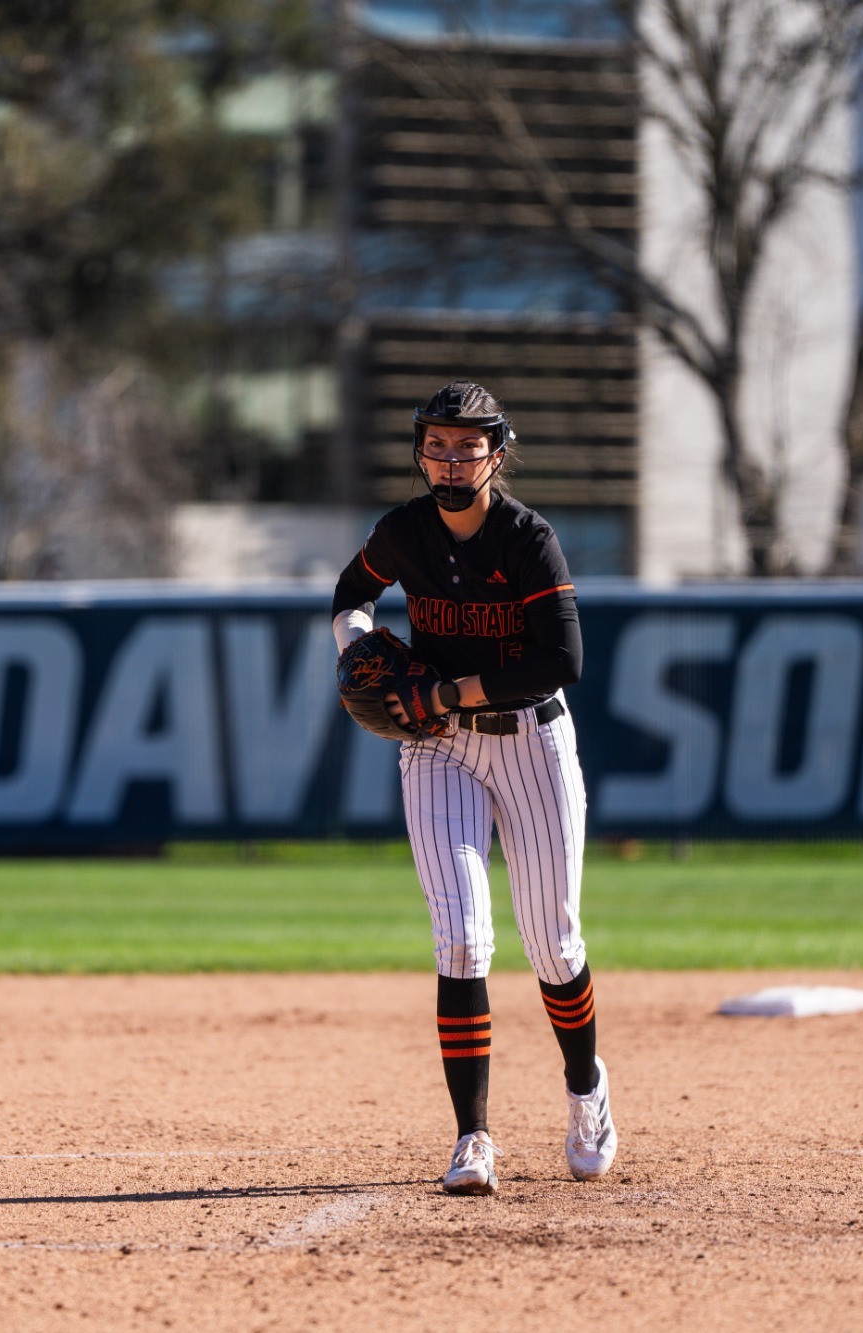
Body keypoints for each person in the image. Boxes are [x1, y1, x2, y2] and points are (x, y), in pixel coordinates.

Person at [330, 381, 615, 1196]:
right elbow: (352, 593)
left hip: (529, 738)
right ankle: (473, 1138)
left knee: (554, 942)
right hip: (437, 746)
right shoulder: (404, 531)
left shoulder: (528, 538)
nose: (451, 458)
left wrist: (449, 692)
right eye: (438, 443)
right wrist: (353, 648)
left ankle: (587, 1091)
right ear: (420, 451)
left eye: (468, 444)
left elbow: (561, 661)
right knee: (460, 938)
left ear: (498, 451)